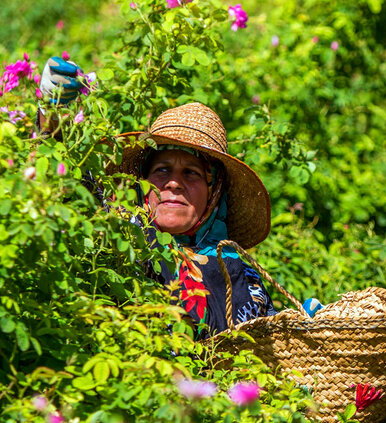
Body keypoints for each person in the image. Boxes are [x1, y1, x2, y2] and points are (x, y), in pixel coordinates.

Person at [39, 60, 275, 336]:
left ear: (214, 192)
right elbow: (73, 190)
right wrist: (53, 115)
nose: (174, 183)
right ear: (141, 181)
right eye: (162, 170)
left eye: (192, 173)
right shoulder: (118, 236)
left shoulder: (241, 279)